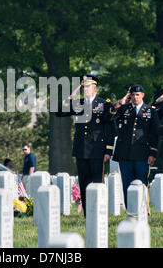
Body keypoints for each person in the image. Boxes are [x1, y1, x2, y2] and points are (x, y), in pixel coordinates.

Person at [55, 74, 116, 217]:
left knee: (97, 181)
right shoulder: (78, 103)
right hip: (81, 147)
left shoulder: (104, 104)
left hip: (97, 149)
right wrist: (70, 97)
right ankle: (88, 214)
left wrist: (108, 149)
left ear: (94, 87)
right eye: (84, 86)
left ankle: (99, 211)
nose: (85, 89)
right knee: (84, 181)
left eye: (88, 86)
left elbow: (109, 127)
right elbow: (58, 111)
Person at [112, 84, 160, 206]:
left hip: (142, 154)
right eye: (132, 95)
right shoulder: (124, 109)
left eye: (137, 95)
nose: (135, 97)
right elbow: (111, 117)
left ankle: (143, 209)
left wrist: (153, 153)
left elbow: (155, 133)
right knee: (126, 184)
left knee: (142, 182)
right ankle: (130, 210)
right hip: (125, 154)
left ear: (142, 95)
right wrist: (121, 102)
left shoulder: (150, 111)